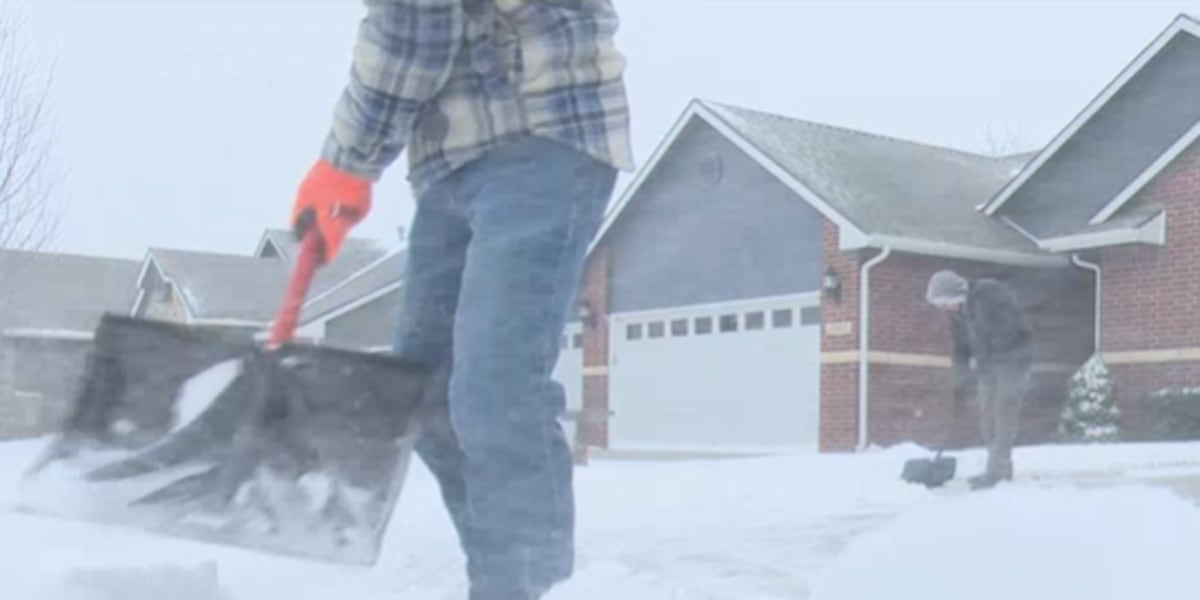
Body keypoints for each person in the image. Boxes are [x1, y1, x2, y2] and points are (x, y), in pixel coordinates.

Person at [288, 2, 634, 598]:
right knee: (430, 397)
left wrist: (344, 165)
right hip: (448, 164)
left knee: (496, 393)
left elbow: (416, 29)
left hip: (541, 131)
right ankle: (502, 584)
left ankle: (531, 589)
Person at [925, 269, 1033, 491]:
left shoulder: (989, 295)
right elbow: (960, 350)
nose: (944, 308)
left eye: (945, 302)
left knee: (1003, 414)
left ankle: (998, 473)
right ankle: (996, 470)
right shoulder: (958, 314)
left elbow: (1008, 330)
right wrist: (960, 380)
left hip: (1013, 361)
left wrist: (990, 358)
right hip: (989, 366)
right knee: (986, 418)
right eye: (940, 305)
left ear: (957, 293)